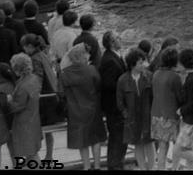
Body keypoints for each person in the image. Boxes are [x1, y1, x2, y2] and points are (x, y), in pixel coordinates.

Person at [60, 43, 107, 169]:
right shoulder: (91, 70)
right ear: (82, 55)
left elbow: (61, 93)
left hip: (75, 111)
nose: (89, 56)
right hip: (93, 109)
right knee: (95, 139)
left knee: (82, 141)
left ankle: (86, 167)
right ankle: (97, 166)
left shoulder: (64, 73)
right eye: (87, 53)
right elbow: (98, 86)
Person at [19, 34, 60, 161]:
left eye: (24, 47)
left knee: (32, 128)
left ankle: (32, 156)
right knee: (48, 131)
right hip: (52, 95)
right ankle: (49, 155)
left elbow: (38, 78)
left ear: (29, 46)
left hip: (43, 99)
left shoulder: (34, 59)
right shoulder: (43, 55)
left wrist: (32, 94)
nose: (23, 49)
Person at [118, 47, 155, 170]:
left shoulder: (149, 76)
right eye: (140, 62)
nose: (143, 65)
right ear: (132, 64)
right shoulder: (123, 80)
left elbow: (154, 97)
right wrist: (126, 114)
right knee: (137, 144)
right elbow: (120, 101)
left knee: (149, 143)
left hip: (147, 115)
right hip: (132, 117)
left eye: (143, 61)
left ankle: (152, 167)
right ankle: (142, 168)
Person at [98, 31, 128, 171]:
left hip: (117, 105)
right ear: (111, 43)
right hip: (114, 106)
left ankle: (117, 164)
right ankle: (115, 165)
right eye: (117, 37)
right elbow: (108, 84)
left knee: (119, 137)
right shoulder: (109, 60)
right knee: (117, 137)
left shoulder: (114, 57)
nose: (120, 39)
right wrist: (124, 85)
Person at [150, 45, 184, 169]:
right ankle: (175, 167)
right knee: (177, 144)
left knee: (162, 146)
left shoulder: (156, 74)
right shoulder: (175, 77)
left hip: (156, 113)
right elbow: (180, 97)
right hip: (171, 115)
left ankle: (161, 168)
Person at [171, 47, 193, 171]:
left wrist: (181, 110)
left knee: (178, 150)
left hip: (190, 120)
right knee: (189, 148)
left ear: (184, 63)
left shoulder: (191, 79)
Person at [7, 53, 42, 163]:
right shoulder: (34, 79)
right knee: (33, 151)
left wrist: (9, 100)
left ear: (17, 69)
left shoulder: (23, 86)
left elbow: (18, 106)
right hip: (34, 118)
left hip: (24, 122)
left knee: (31, 153)